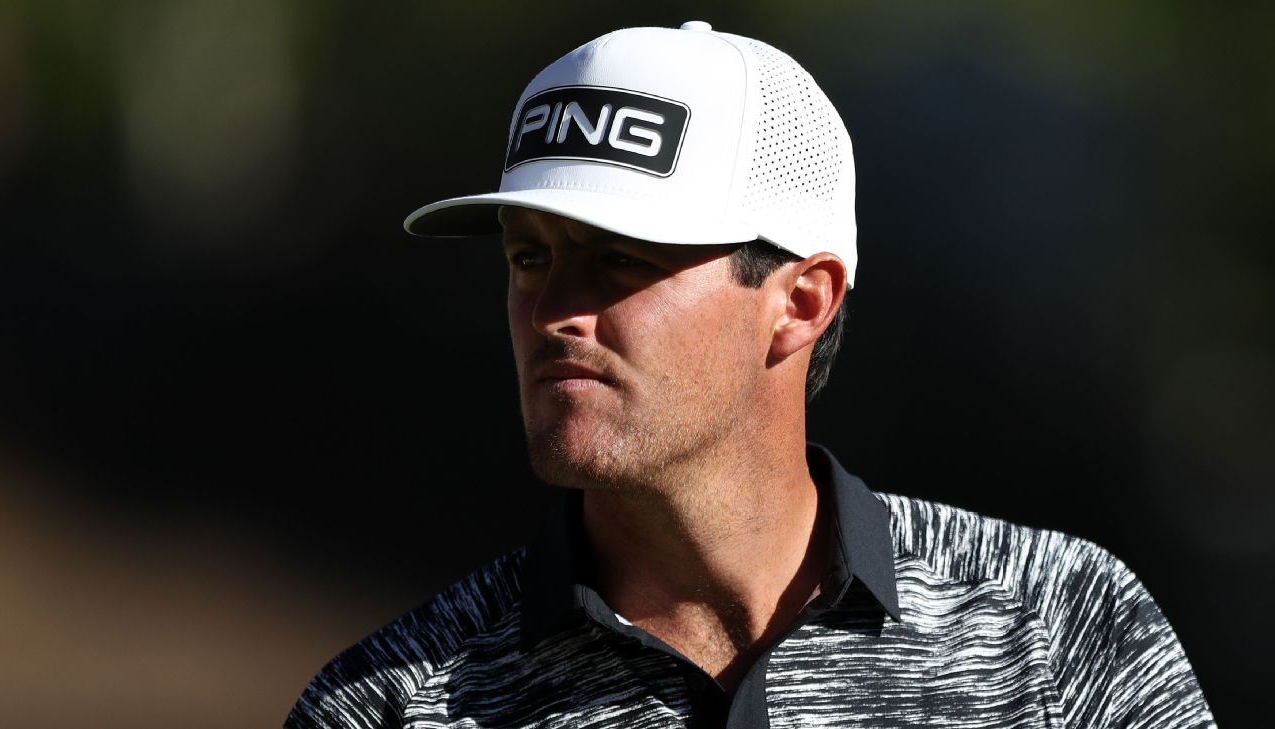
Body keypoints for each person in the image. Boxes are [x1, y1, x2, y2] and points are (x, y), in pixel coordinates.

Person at [285, 21, 1214, 729]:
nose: (552, 311)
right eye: (530, 257)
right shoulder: (390, 705)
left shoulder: (1060, 634)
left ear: (802, 302)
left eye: (618, 259)